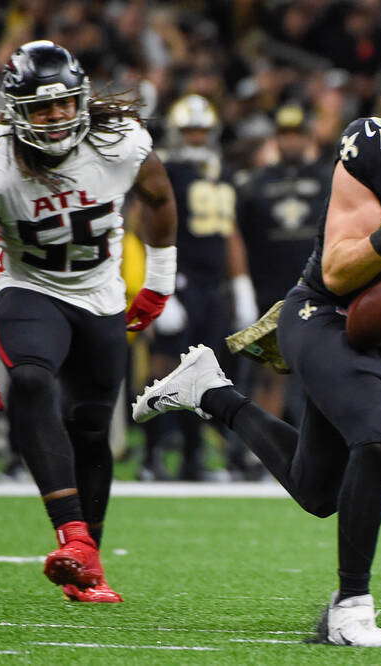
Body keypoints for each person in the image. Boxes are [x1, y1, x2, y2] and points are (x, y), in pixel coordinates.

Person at [133, 40, 381, 646]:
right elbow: (339, 271)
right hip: (318, 312)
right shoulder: (374, 147)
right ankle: (352, 605)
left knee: (318, 491)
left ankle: (210, 392)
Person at [0, 41, 177, 602]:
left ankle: (87, 564)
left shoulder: (118, 143)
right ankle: (72, 535)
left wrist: (160, 282)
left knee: (92, 428)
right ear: (16, 111)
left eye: (64, 105)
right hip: (30, 286)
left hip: (100, 293)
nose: (54, 118)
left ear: (82, 101)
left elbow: (161, 199)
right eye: (41, 108)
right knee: (28, 378)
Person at [138, 94, 256, 481]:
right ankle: (151, 456)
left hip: (213, 285)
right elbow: (142, 224)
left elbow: (230, 232)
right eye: (189, 130)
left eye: (201, 130)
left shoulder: (219, 171)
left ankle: (192, 457)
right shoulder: (166, 169)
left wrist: (241, 284)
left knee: (205, 373)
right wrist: (160, 287)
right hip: (179, 280)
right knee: (163, 368)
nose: (195, 137)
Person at [236, 104, 328, 428]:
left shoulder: (327, 179)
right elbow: (238, 235)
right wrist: (242, 285)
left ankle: (317, 450)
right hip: (269, 290)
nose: (291, 142)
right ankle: (257, 450)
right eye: (285, 136)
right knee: (267, 373)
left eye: (297, 135)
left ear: (307, 138)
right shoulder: (254, 184)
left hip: (318, 292)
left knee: (320, 374)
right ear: (276, 139)